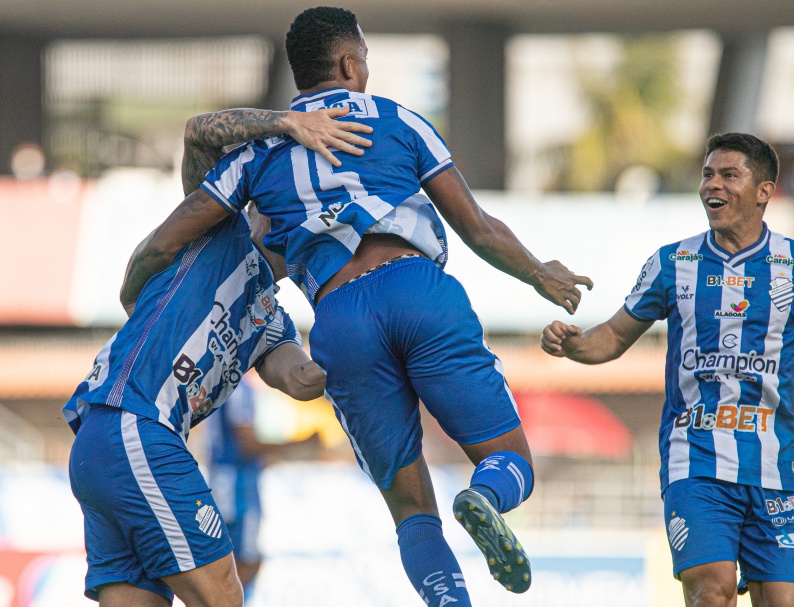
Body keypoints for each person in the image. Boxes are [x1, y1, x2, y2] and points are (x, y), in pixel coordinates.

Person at [122, 7, 593, 605]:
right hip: (417, 291)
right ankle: (488, 493)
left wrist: (135, 290)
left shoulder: (260, 149)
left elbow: (168, 237)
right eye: (364, 56)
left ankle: (451, 600)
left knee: (409, 507)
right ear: (349, 63)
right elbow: (477, 228)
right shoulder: (401, 121)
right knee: (508, 461)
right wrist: (537, 274)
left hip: (339, 316)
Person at [541, 132, 794, 607]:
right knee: (710, 591)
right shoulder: (673, 262)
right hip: (695, 459)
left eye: (729, 175)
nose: (712, 185)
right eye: (707, 174)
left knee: (790, 601)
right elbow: (612, 337)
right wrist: (571, 344)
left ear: (764, 190)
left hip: (777, 466)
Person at [64, 109, 372, 607]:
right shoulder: (217, 228)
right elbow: (196, 132)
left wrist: (370, 349)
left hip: (106, 443)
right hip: (136, 427)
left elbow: (302, 379)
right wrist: (289, 124)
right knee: (224, 595)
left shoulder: (272, 318)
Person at [205, 376, 321, 598]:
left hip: (222, 482)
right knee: (244, 563)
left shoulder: (220, 382)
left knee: (224, 564)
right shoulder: (238, 386)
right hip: (237, 488)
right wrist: (301, 443)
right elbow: (246, 445)